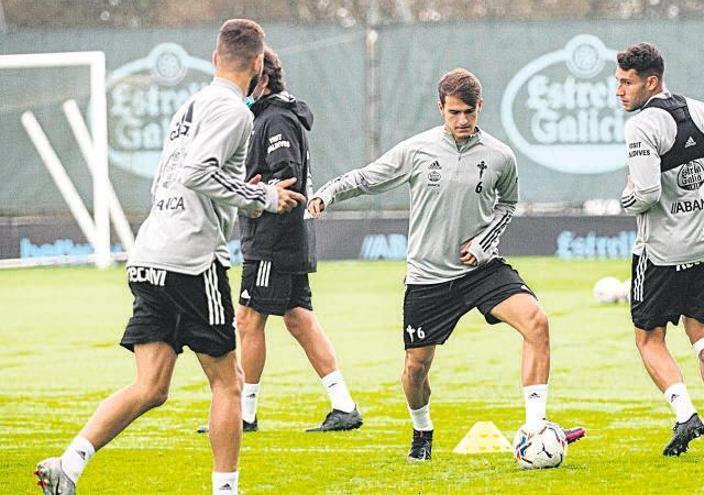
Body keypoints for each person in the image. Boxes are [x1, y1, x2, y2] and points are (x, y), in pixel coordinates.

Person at [34, 19, 304, 495]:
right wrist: (259, 198)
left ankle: (68, 464)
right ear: (258, 64)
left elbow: (181, 176)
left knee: (151, 387)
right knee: (228, 383)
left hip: (151, 253)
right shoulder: (236, 112)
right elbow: (200, 173)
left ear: (215, 58)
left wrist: (244, 190)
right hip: (190, 260)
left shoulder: (192, 104)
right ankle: (226, 492)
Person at [307, 68, 584, 462]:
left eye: (469, 112)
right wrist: (328, 193)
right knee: (415, 370)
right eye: (454, 112)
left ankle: (535, 428)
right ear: (440, 108)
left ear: (480, 107)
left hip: (481, 271)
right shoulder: (416, 150)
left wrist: (484, 243)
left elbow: (507, 204)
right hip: (429, 278)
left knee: (537, 323)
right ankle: (422, 430)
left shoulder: (500, 156)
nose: (463, 121)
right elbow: (369, 178)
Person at [616, 43, 704, 457]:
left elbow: (648, 191)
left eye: (626, 83)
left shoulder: (642, 127)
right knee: (703, 335)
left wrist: (625, 201)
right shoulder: (700, 110)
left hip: (659, 253)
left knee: (648, 338)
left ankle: (685, 414)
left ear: (650, 81)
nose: (619, 91)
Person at [233, 46, 362, 432]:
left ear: (263, 78)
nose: (239, 83)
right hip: (287, 236)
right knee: (299, 319)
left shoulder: (275, 120)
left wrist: (252, 192)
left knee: (248, 320)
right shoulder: (271, 116)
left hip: (274, 238)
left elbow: (286, 174)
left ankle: (244, 415)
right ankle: (344, 406)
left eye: (245, 75)